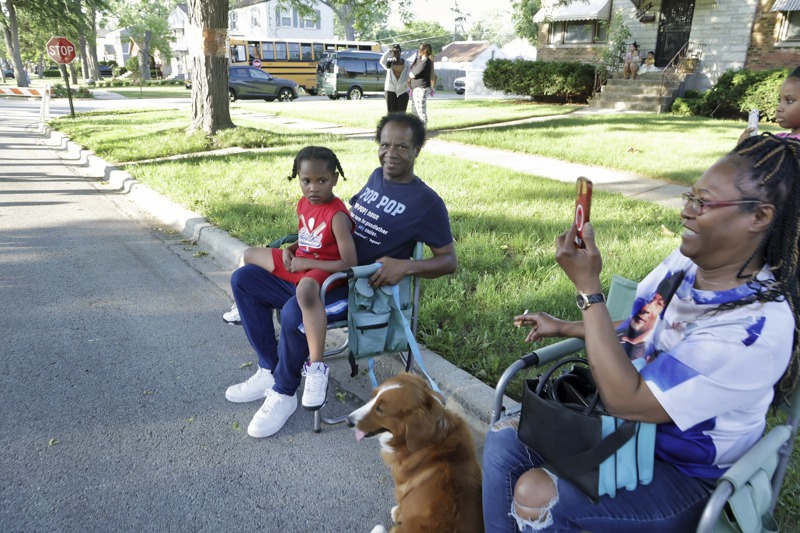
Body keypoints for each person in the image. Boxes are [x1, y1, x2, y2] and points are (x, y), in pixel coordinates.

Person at [484, 133, 800, 532]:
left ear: (759, 217)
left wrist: (588, 289)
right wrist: (564, 326)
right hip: (629, 434)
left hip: (688, 475)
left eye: (702, 203)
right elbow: (641, 328)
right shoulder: (686, 265)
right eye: (689, 197)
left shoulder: (754, 329)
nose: (686, 211)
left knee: (538, 494)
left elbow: (626, 401)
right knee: (505, 441)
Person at [226, 113, 457, 438]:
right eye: (386, 145)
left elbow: (448, 261)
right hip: (323, 267)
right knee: (245, 280)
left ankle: (283, 391)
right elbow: (340, 224)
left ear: (417, 149)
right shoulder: (377, 177)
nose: (391, 153)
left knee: (295, 311)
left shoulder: (427, 203)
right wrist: (301, 245)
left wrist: (405, 266)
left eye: (402, 147)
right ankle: (270, 367)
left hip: (355, 288)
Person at [231, 146, 357, 412]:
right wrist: (290, 250)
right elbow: (310, 238)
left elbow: (349, 262)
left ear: (334, 179)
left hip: (325, 270)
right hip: (301, 262)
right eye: (306, 181)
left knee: (306, 289)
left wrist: (307, 263)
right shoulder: (304, 204)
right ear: (298, 179)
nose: (313, 188)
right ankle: (267, 364)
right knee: (249, 259)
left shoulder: (337, 216)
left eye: (322, 181)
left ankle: (316, 368)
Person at [740, 65, 800, 142]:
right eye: (779, 100)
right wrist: (743, 145)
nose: (779, 108)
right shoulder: (777, 138)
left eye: (789, 101)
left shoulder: (792, 144)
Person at [408, 42, 435, 128]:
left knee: (420, 111)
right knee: (415, 110)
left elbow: (412, 75)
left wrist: (411, 73)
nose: (418, 50)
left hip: (421, 88)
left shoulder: (425, 62)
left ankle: (423, 130)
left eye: (420, 49)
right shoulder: (421, 61)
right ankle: (417, 129)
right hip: (416, 88)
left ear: (425, 50)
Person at [380, 44, 410, 113]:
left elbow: (408, 76)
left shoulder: (406, 63)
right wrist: (389, 51)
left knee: (401, 112)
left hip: (403, 90)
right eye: (394, 51)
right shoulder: (389, 62)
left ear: (400, 52)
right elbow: (382, 62)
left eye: (397, 51)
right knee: (391, 112)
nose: (396, 53)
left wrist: (403, 86)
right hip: (390, 89)